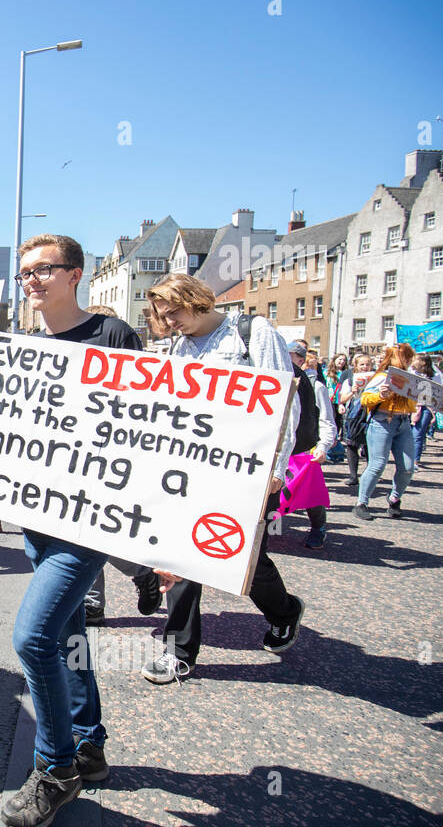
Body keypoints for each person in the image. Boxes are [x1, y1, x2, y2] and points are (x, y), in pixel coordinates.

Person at [0, 234, 138, 827]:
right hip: (39, 516)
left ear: (75, 274)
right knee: (69, 629)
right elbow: (9, 432)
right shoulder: (24, 348)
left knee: (33, 639)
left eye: (43, 270)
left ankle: (55, 768)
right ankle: (89, 744)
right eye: (25, 272)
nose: (30, 281)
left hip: (88, 519)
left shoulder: (114, 337)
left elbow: (147, 435)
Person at [141, 273, 305, 684]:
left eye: (174, 312)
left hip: (248, 469)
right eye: (163, 315)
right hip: (194, 467)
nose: (169, 321)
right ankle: (178, 650)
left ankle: (284, 611)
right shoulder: (180, 345)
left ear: (197, 301)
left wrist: (276, 469)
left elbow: (285, 404)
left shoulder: (252, 333)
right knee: (179, 555)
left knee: (242, 558)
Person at [353, 344, 418, 521]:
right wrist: (381, 396)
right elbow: (365, 399)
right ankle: (362, 503)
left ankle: (394, 498)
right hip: (382, 422)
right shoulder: (382, 377)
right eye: (407, 357)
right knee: (377, 464)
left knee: (407, 467)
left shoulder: (412, 379)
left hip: (403, 423)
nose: (410, 361)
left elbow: (413, 405)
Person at [287, 340, 338, 549]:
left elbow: (326, 420)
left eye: (288, 355)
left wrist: (323, 446)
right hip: (280, 445)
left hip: (304, 446)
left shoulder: (315, 386)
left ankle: (318, 527)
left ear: (300, 360)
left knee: (309, 490)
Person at [409, 354, 443, 466]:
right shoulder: (410, 373)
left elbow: (440, 395)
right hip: (410, 406)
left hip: (426, 408)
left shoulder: (436, 376)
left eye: (415, 360)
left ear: (423, 363)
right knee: (408, 434)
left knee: (418, 433)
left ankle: (415, 460)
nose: (412, 362)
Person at [340, 353, 373, 487]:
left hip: (372, 414)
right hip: (356, 414)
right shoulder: (350, 379)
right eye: (362, 364)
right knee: (352, 444)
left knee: (371, 445)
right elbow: (342, 399)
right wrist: (353, 392)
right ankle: (353, 475)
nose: (365, 367)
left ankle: (370, 474)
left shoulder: (377, 378)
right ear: (356, 366)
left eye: (368, 364)